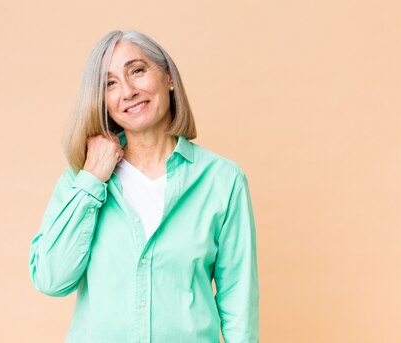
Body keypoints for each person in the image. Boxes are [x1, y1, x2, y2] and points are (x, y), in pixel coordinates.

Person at [29, 30, 259, 342]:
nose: (127, 91)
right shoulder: (82, 179)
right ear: (102, 101)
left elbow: (238, 302)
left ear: (169, 77)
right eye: (109, 83)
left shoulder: (222, 180)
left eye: (137, 70)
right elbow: (51, 278)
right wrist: (92, 179)